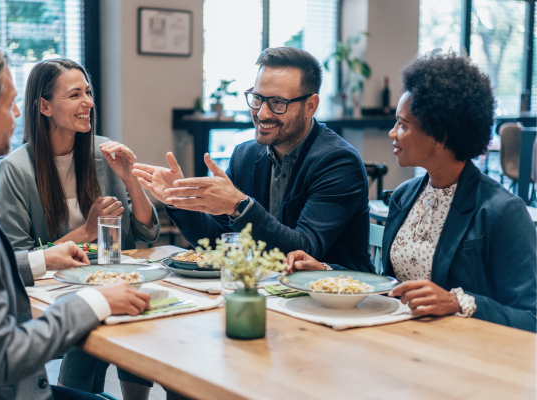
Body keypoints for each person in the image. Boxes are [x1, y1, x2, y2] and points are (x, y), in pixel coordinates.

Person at [0, 37, 152, 399]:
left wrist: (41, 258)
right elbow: (3, 358)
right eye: (9, 104)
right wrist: (94, 302)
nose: (17, 115)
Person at [284, 50, 536, 332]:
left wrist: (458, 302)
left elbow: (531, 316)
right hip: (405, 341)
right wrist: (326, 272)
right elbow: (388, 287)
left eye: (402, 125)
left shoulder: (501, 211)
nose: (392, 133)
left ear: (441, 136)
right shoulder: (405, 196)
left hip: (467, 355)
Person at [0, 59, 159, 398]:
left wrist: (131, 180)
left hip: (110, 278)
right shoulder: (16, 169)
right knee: (95, 324)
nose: (88, 103)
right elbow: (15, 258)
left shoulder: (104, 151)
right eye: (74, 95)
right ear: (44, 106)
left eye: (88, 92)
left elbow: (145, 235)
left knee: (139, 316)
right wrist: (86, 231)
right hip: (53, 294)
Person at [133, 47, 373, 272]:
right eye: (257, 98)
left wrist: (239, 206)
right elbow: (219, 245)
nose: (262, 113)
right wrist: (180, 201)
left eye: (278, 102)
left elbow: (303, 252)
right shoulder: (245, 155)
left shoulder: (339, 162)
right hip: (268, 290)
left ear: (310, 106)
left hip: (337, 298)